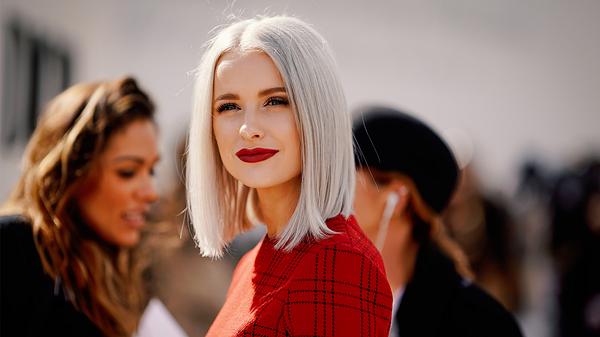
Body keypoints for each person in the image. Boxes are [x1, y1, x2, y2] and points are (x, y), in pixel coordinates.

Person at [186, 16, 392, 336]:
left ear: (317, 113)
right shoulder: (251, 263)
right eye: (229, 107)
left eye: (275, 101)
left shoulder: (340, 264)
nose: (248, 128)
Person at [0, 77, 160, 337]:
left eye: (151, 170)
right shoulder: (14, 248)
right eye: (128, 172)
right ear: (72, 172)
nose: (151, 193)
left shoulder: (115, 269)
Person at [352, 106, 523, 337]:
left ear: (396, 198)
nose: (330, 191)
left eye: (345, 175)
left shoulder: (479, 323)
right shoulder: (329, 296)